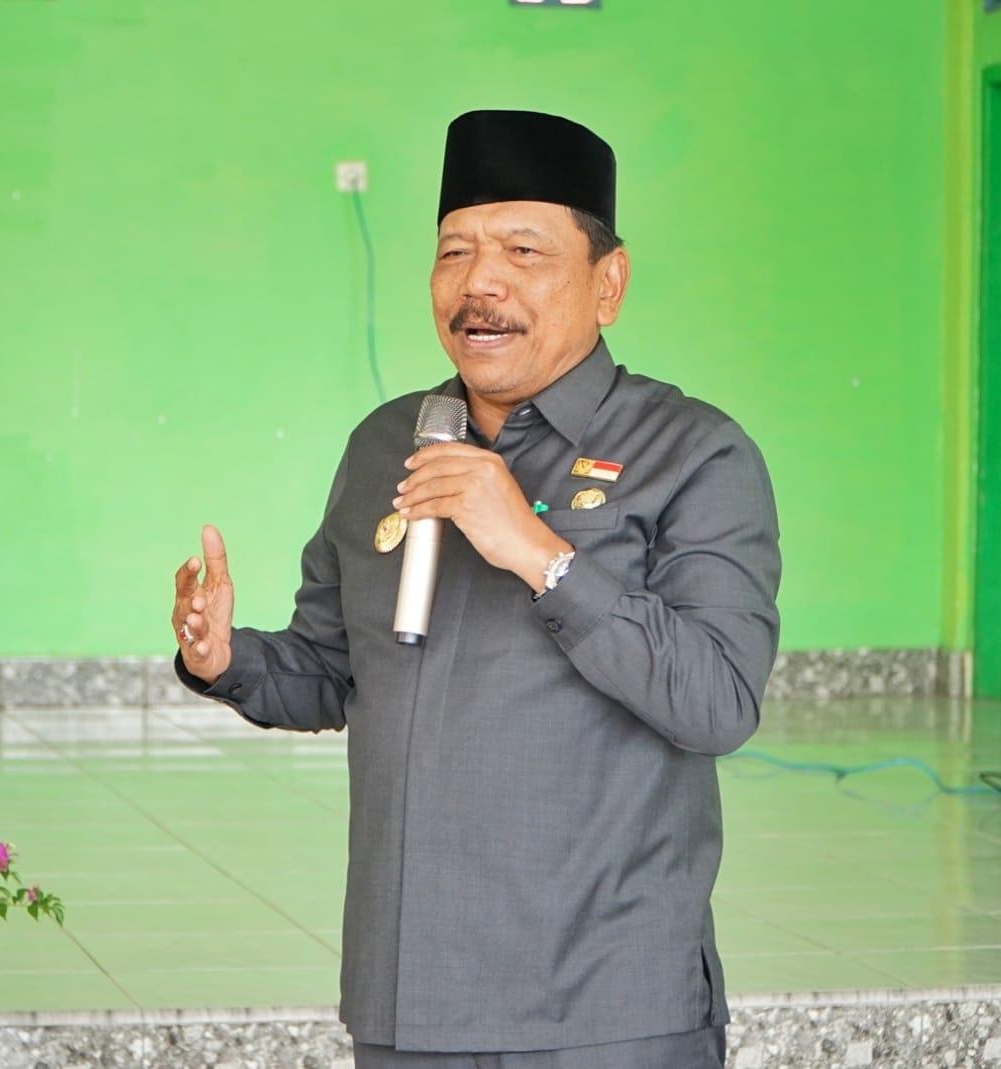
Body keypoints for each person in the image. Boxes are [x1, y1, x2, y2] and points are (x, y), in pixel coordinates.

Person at [170, 109, 781, 1069]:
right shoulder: (390, 444)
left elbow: (718, 700)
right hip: (411, 1000)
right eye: (455, 251)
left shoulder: (694, 452)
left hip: (604, 1008)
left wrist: (541, 554)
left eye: (523, 250)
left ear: (607, 282)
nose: (479, 285)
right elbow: (332, 670)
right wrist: (223, 656)